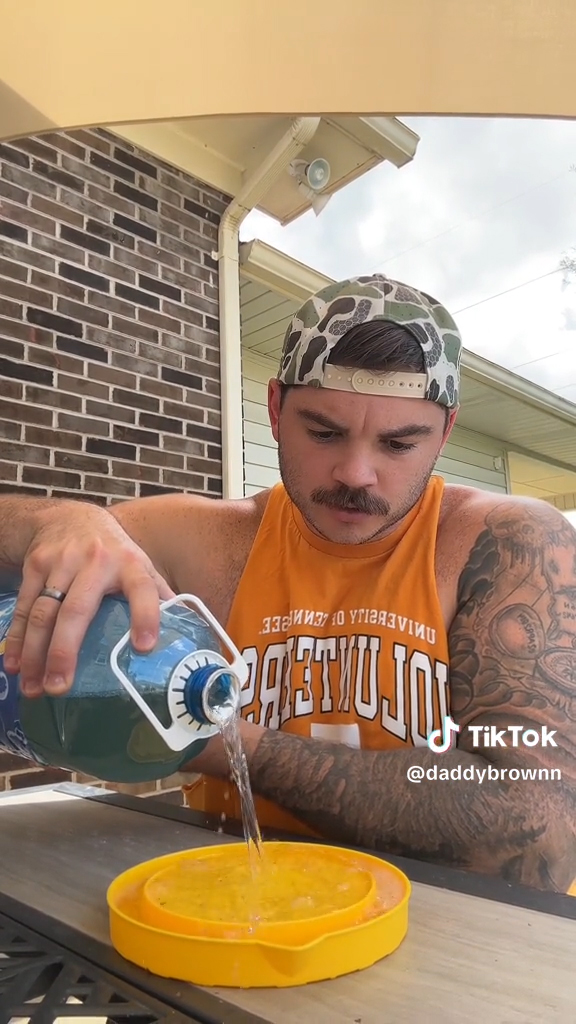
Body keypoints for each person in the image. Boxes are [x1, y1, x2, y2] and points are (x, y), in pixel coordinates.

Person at [1, 274, 575, 895]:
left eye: (399, 443)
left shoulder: (510, 546)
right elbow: (48, 547)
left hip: (458, 950)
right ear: (274, 409)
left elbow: (538, 832)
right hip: (228, 919)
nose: (356, 473)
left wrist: (214, 738)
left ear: (446, 432)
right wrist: (55, 521)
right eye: (323, 432)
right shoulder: (201, 539)